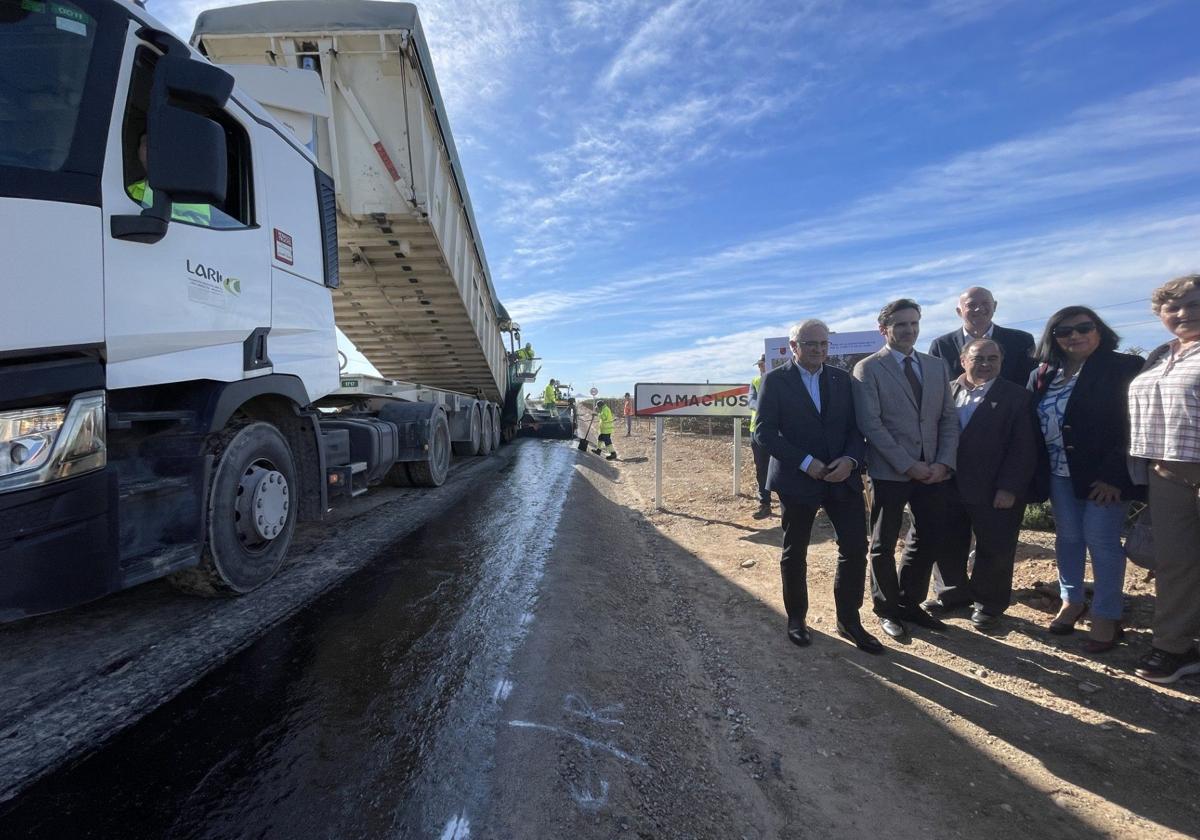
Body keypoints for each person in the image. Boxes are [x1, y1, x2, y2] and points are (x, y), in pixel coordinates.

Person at [754, 320, 882, 653]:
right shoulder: (775, 381)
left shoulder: (842, 379)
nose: (818, 350)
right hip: (799, 480)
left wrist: (851, 461)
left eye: (824, 344)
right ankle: (797, 618)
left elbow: (857, 429)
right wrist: (805, 462)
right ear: (793, 346)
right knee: (795, 552)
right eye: (811, 344)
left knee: (854, 548)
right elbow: (764, 433)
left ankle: (849, 621)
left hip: (842, 478)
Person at [1029, 306, 1143, 653]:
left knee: (1102, 541)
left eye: (1083, 327)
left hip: (1103, 477)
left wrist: (1114, 476)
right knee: (1069, 538)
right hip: (1059, 472)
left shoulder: (1123, 367)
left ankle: (1107, 613)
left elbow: (1132, 425)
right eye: (1064, 331)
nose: (1074, 335)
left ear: (1098, 329)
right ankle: (1072, 600)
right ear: (1054, 337)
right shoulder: (1046, 373)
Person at [852, 298, 959, 641]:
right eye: (900, 324)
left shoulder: (936, 366)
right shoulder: (868, 369)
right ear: (883, 329)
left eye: (914, 323)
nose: (909, 330)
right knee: (884, 542)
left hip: (933, 471)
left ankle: (910, 603)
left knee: (927, 537)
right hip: (889, 472)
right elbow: (872, 424)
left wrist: (943, 462)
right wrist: (907, 464)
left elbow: (947, 418)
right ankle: (887, 609)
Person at [933, 339, 1037, 631]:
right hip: (948, 483)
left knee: (995, 547)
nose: (986, 364)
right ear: (964, 360)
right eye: (979, 358)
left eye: (993, 358)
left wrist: (1009, 487)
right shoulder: (946, 391)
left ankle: (989, 604)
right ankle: (951, 596)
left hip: (994, 487)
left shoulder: (1017, 397)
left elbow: (1024, 447)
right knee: (948, 542)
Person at [1128, 275, 1200, 683]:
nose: (1184, 313)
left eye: (1194, 304)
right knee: (1176, 563)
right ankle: (1174, 646)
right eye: (1174, 307)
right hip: (1166, 470)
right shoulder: (1161, 355)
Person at [928, 286, 1035, 385]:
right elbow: (934, 385)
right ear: (959, 311)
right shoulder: (941, 346)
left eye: (985, 303)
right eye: (971, 305)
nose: (979, 308)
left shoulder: (1021, 341)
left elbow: (1030, 384)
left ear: (995, 306)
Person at [127, 133, 212, 227]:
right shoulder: (130, 190)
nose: (152, 150)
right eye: (147, 143)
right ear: (138, 151)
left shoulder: (192, 189)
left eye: (157, 144)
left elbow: (197, 227)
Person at [749, 354, 773, 519]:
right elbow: (751, 401)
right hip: (757, 430)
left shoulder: (784, 379)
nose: (760, 367)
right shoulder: (756, 381)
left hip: (782, 432)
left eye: (762, 364)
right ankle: (765, 503)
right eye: (759, 365)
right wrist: (765, 408)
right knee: (762, 468)